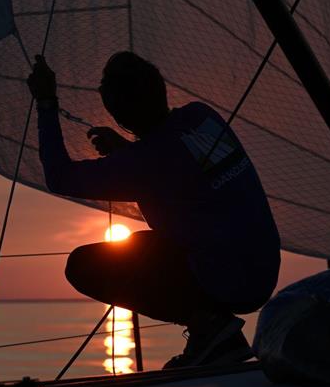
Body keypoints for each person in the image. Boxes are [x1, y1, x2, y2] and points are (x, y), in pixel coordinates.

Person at [27, 51, 280, 369]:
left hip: (229, 279)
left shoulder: (143, 162)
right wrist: (129, 150)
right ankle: (215, 332)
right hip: (263, 269)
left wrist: (46, 102)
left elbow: (60, 177)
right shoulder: (202, 117)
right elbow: (178, 163)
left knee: (83, 265)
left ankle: (211, 328)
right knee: (145, 244)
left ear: (120, 113)